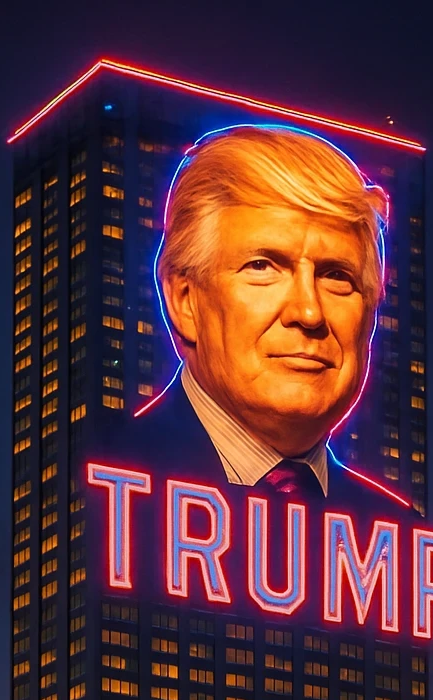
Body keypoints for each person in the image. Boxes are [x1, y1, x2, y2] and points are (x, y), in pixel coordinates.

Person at [135, 124, 392, 507]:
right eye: (262, 266)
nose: (308, 312)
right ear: (186, 300)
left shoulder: (401, 545)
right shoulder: (99, 492)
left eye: (336, 276)